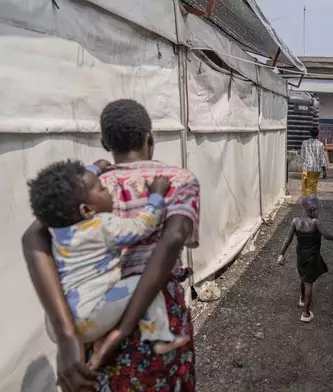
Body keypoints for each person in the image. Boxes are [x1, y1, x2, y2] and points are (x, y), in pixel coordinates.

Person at [21, 99, 200, 391]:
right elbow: (175, 238)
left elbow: (33, 236)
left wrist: (67, 336)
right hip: (155, 318)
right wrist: (123, 329)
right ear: (149, 137)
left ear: (105, 142)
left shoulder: (88, 186)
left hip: (88, 323)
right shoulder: (178, 179)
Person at [27, 159, 190, 363]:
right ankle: (158, 336)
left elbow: (72, 187)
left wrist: (95, 169)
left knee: (105, 300)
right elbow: (143, 225)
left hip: (58, 324)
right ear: (87, 210)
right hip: (89, 317)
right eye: (102, 189)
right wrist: (156, 194)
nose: (108, 190)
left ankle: (98, 339)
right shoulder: (102, 226)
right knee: (146, 283)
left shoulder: (57, 233)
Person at [277, 195, 333, 322]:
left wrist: (281, 254)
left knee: (303, 277)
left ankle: (302, 299)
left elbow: (288, 239)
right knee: (309, 283)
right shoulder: (315, 222)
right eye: (317, 209)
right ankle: (306, 313)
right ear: (312, 210)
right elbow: (327, 236)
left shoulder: (295, 221)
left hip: (301, 256)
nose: (318, 212)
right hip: (312, 257)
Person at [300, 127, 327, 196]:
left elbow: (302, 155)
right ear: (317, 134)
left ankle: (306, 200)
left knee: (305, 185)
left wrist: (304, 163)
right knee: (313, 186)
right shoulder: (320, 144)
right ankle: (311, 201)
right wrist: (324, 171)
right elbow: (322, 158)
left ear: (310, 133)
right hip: (315, 170)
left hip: (306, 168)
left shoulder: (304, 143)